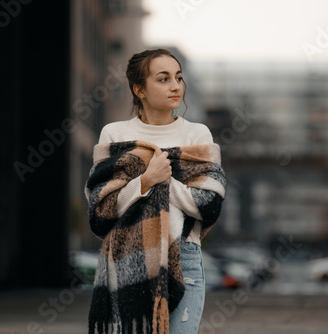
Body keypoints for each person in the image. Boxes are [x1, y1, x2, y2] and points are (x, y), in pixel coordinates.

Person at [85, 48, 226, 334]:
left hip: (183, 257)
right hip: (127, 261)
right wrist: (145, 181)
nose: (175, 86)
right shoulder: (114, 135)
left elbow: (208, 204)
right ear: (140, 89)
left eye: (178, 77)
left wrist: (165, 181)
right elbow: (101, 212)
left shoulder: (197, 135)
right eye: (163, 79)